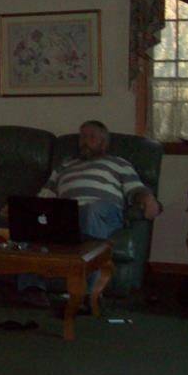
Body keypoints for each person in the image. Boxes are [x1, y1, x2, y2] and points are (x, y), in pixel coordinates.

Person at [19, 120, 161, 308]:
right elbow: (45, 196)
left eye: (91, 137)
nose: (85, 141)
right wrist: (25, 211)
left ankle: (86, 293)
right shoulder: (64, 166)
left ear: (103, 143)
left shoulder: (119, 163)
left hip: (104, 211)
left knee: (88, 212)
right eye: (82, 137)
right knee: (33, 224)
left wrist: (148, 199)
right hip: (66, 214)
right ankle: (33, 289)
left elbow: (136, 189)